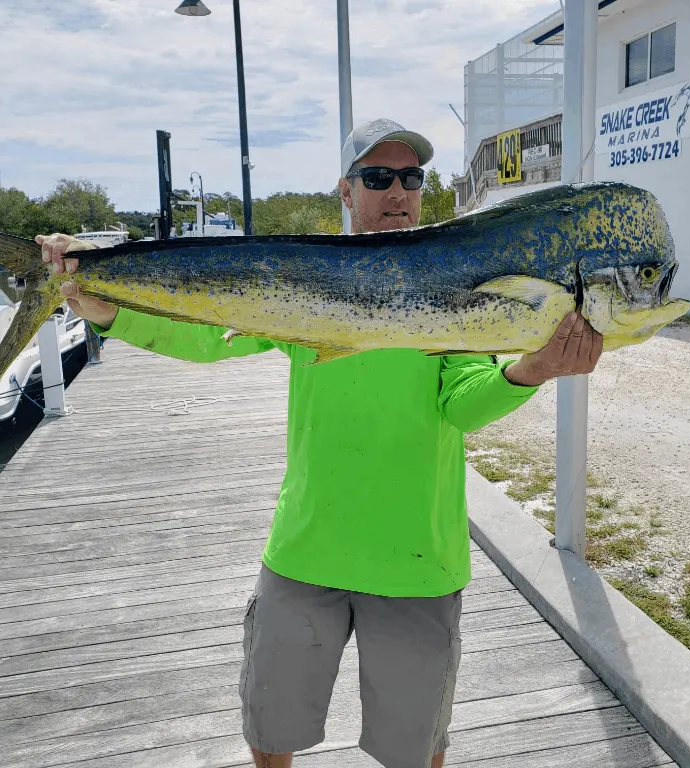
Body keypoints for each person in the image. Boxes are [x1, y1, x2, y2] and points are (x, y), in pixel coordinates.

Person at [36, 118, 604, 768]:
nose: (398, 191)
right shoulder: (308, 277)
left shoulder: (457, 282)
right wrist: (114, 311)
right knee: (270, 728)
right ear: (346, 189)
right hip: (306, 549)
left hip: (417, 562)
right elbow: (207, 334)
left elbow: (463, 400)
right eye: (378, 176)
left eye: (411, 177)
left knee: (415, 748)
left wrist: (531, 370)